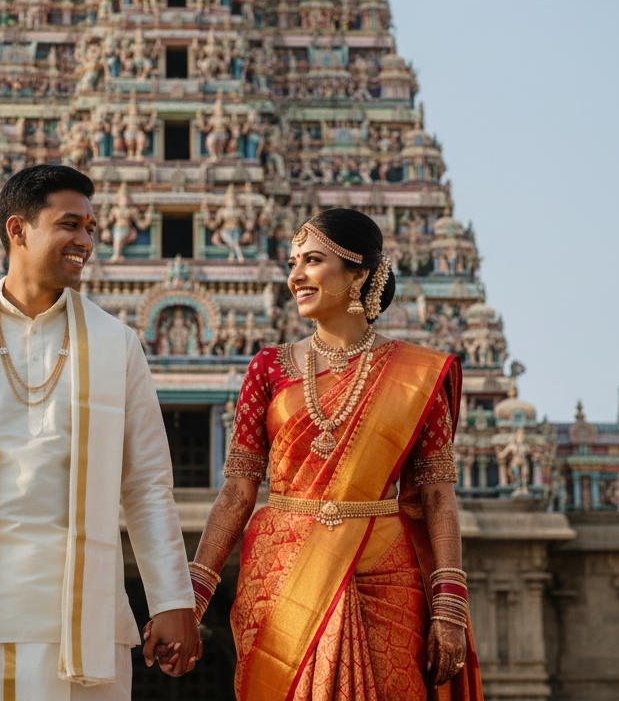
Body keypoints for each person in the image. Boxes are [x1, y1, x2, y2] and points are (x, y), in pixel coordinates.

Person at [0, 164, 200, 700]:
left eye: (91, 229)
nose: (86, 242)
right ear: (18, 229)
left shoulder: (117, 344)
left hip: (80, 614)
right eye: (69, 225)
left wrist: (172, 600)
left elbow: (147, 485)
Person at [176, 208, 482, 701]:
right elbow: (236, 493)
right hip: (284, 572)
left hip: (385, 574)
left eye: (313, 260)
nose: (295, 276)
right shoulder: (268, 368)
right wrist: (190, 599)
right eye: (292, 263)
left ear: (359, 274)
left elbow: (436, 497)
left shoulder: (416, 374)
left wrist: (448, 607)